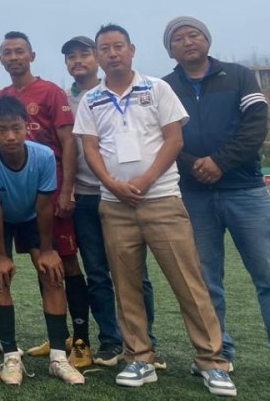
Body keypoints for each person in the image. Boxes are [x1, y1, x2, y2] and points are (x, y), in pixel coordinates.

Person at [75, 24, 235, 397]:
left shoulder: (157, 88)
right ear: (97, 56)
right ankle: (139, 358)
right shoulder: (90, 100)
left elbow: (174, 139)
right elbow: (90, 148)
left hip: (161, 199)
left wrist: (146, 180)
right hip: (115, 206)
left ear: (131, 50)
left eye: (118, 46)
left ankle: (212, 362)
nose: (112, 53)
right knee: (126, 285)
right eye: (104, 48)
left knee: (188, 282)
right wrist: (111, 184)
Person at [163, 16, 270, 362]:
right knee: (206, 281)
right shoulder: (164, 87)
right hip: (194, 194)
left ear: (206, 40)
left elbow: (256, 126)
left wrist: (220, 162)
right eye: (178, 39)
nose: (187, 42)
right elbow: (161, 139)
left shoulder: (239, 76)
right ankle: (217, 355)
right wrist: (195, 164)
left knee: (267, 275)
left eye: (193, 34)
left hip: (245, 191)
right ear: (170, 50)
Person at [0, 96, 85, 387]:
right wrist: (0, 255)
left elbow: (44, 205)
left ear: (27, 126)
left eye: (16, 128)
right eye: (2, 130)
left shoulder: (44, 155)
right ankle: (11, 355)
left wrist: (47, 250)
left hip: (31, 215)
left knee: (52, 273)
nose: (10, 136)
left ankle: (58, 357)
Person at [0, 31, 91, 367]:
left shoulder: (50, 91)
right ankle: (58, 337)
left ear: (31, 56)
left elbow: (68, 142)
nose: (14, 57)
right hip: (20, 199)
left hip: (53, 192)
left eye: (19, 51)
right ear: (1, 59)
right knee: (41, 262)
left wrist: (67, 190)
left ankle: (82, 340)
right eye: (8, 52)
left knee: (65, 261)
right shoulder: (1, 97)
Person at [62, 36, 158, 368]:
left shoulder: (121, 92)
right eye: (70, 57)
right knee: (97, 273)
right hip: (87, 196)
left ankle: (147, 341)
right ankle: (111, 341)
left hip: (124, 194)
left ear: (98, 58)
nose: (78, 61)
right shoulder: (64, 99)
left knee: (135, 273)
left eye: (84, 54)